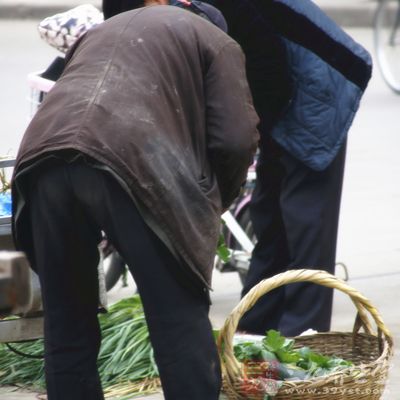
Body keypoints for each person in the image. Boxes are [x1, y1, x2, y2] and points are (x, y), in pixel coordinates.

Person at [11, 2, 259, 399]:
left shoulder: (103, 30)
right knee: (177, 317)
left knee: (67, 319)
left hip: (42, 160)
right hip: (126, 158)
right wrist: (214, 201)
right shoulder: (218, 42)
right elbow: (234, 139)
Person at [201, 0, 372, 336]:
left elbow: (270, 71)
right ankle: (254, 328)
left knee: (304, 220)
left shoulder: (218, 7)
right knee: (269, 216)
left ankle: (303, 339)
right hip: (282, 88)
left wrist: (249, 138)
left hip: (318, 85)